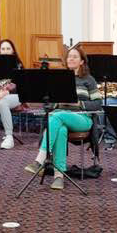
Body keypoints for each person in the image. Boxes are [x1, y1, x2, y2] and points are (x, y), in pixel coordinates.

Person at [22, 47, 101, 190]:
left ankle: (40, 159)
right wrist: (59, 102)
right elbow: (49, 102)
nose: (71, 59)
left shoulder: (89, 80)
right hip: (60, 118)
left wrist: (78, 103)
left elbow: (97, 103)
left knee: (56, 116)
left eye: (75, 57)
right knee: (61, 130)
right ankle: (59, 176)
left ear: (82, 61)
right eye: (69, 56)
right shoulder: (59, 78)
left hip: (81, 119)